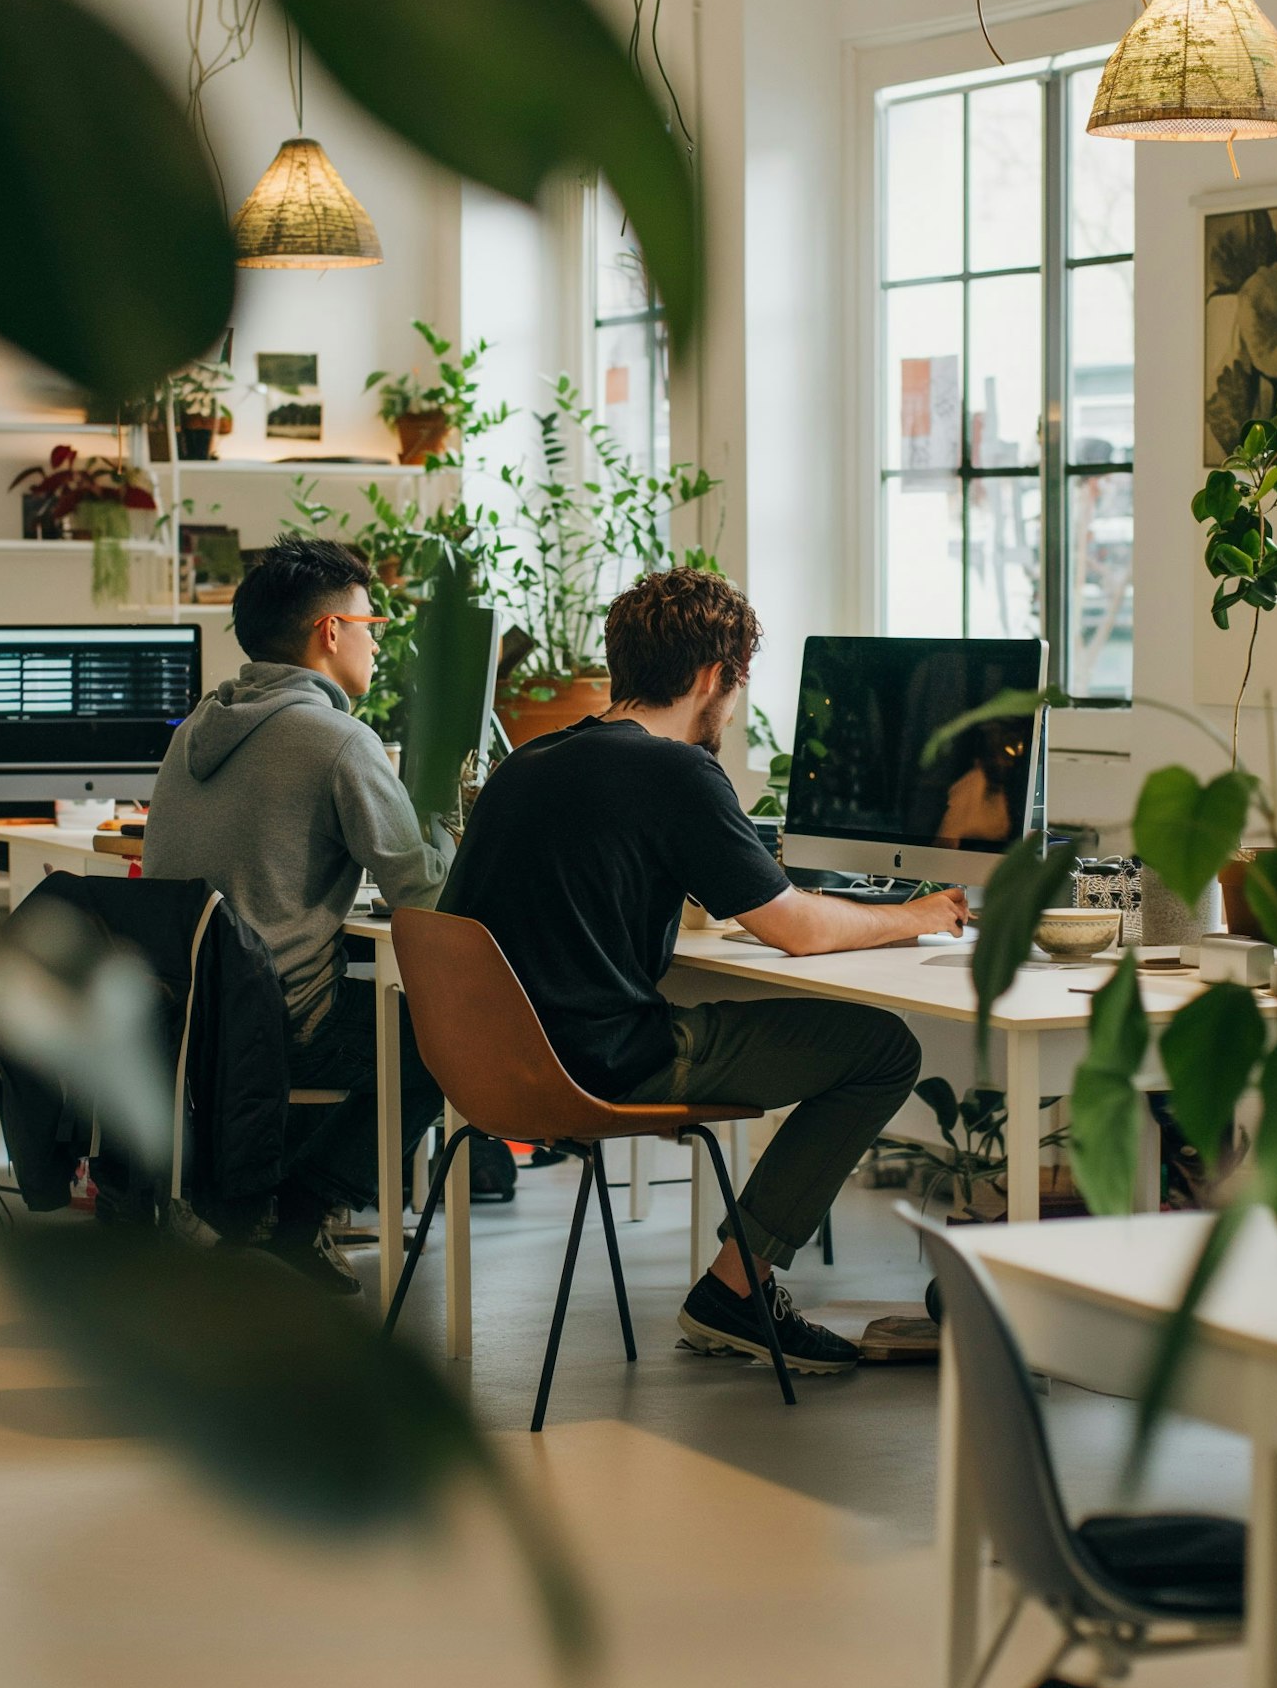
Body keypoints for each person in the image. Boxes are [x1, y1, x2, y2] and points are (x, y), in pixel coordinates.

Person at [442, 565, 966, 1374]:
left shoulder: (531, 762)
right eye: (736, 685)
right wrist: (918, 914)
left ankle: (735, 1288)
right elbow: (792, 929)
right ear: (714, 677)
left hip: (494, 1070)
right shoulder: (676, 772)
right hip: (602, 1063)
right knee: (885, 1048)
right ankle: (736, 1288)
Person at [144, 535, 450, 1292]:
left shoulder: (194, 732)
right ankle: (300, 1208)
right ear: (331, 632)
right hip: (277, 1024)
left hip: (189, 1020)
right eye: (372, 625)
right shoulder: (339, 741)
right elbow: (425, 895)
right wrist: (447, 820)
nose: (378, 644)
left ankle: (266, 1203)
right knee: (447, 1040)